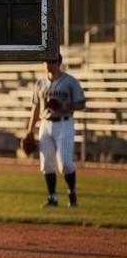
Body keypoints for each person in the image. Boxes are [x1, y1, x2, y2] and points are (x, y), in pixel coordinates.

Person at [26, 54, 86, 207]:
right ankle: (52, 198)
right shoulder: (40, 83)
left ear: (59, 62)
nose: (48, 64)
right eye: (46, 61)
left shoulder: (70, 81)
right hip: (45, 124)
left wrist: (67, 106)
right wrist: (29, 130)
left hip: (64, 123)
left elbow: (81, 103)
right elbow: (36, 108)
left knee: (65, 164)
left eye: (52, 61)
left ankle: (72, 193)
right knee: (46, 164)